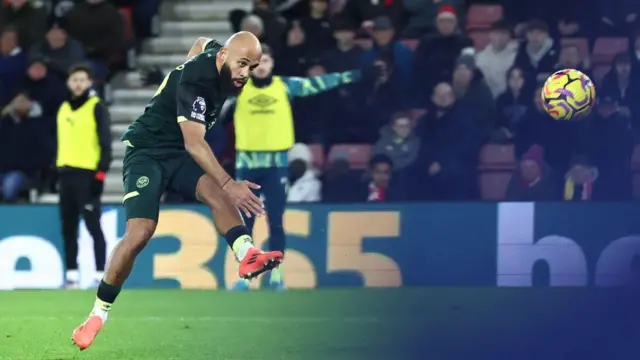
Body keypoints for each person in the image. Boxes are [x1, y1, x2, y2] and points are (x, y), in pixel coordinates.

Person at [71, 32, 283, 350]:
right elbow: (194, 143)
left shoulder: (215, 55)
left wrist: (179, 69)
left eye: (251, 67)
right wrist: (230, 182)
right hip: (148, 152)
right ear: (225, 56)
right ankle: (97, 314)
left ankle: (246, 254)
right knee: (141, 232)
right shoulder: (197, 84)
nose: (245, 73)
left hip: (178, 155)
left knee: (218, 194)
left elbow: (200, 41)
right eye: (242, 64)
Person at [227, 44, 363, 291]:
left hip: (277, 164)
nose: (261, 67)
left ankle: (276, 275)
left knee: (276, 221)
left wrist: (353, 75)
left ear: (272, 64)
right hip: (247, 165)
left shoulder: (285, 85)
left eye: (265, 61)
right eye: (256, 62)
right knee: (245, 224)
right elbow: (202, 89)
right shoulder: (237, 86)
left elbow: (319, 83)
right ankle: (244, 277)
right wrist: (165, 81)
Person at [56, 64, 111, 290]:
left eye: (82, 80)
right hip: (66, 174)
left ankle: (100, 274)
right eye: (74, 80)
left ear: (90, 83)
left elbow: (106, 144)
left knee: (93, 226)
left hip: (86, 176)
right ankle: (71, 275)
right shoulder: (63, 108)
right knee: (68, 227)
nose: (78, 84)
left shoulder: (96, 107)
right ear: (69, 83)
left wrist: (99, 176)